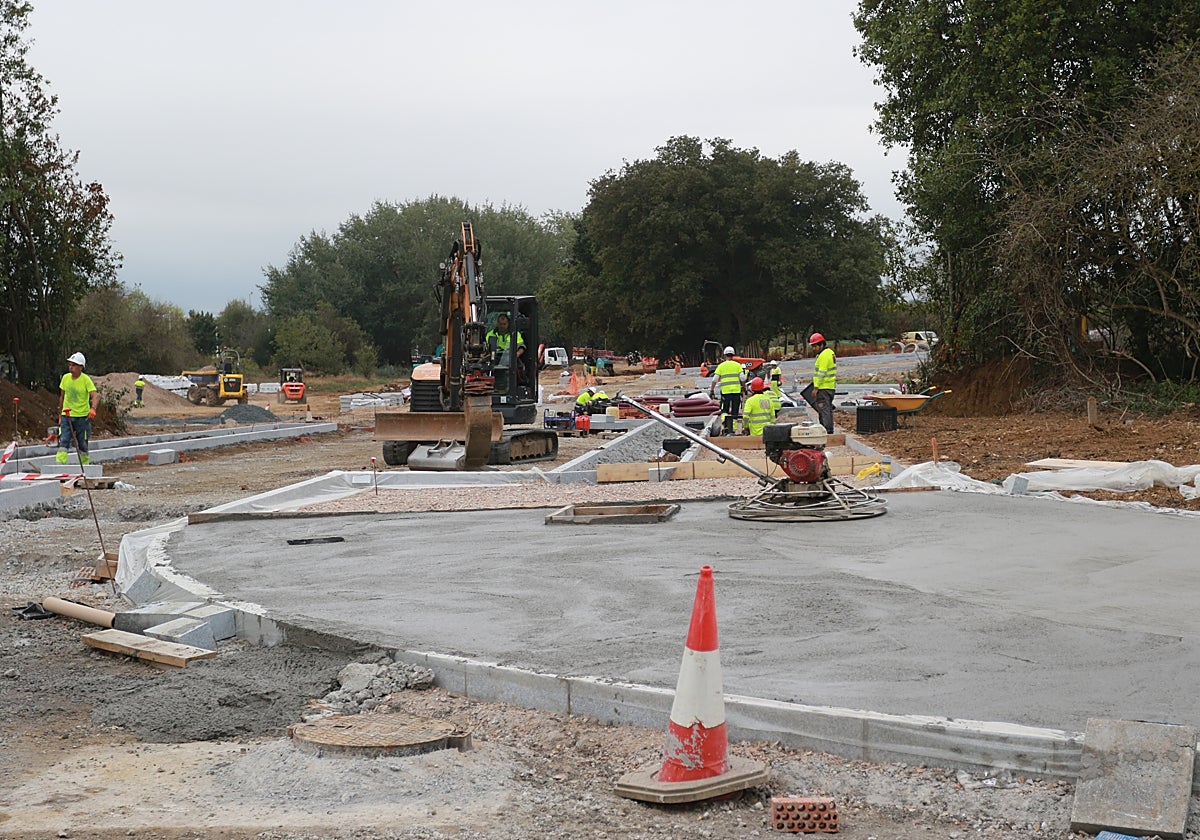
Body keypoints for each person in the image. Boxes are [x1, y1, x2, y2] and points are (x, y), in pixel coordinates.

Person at [56, 352, 99, 465]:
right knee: (64, 440)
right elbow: (62, 397)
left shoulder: (85, 380)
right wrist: (60, 414)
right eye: (70, 365)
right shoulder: (65, 378)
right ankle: (60, 466)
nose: (71, 367)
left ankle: (85, 466)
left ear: (81, 367)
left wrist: (93, 408)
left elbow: (94, 395)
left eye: (74, 365)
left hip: (82, 417)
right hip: (67, 416)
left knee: (82, 443)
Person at [708, 345, 745, 435]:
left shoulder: (721, 366)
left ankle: (725, 426)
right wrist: (744, 388)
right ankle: (735, 429)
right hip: (736, 392)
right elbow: (742, 378)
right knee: (735, 410)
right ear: (733, 355)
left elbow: (714, 379)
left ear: (724, 355)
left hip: (725, 392)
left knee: (724, 409)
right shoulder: (737, 365)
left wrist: (712, 390)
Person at [486, 313, 526, 384]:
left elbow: (521, 347)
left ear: (508, 324)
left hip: (509, 359)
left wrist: (516, 354)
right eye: (500, 324)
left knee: (519, 367)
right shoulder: (490, 335)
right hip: (493, 359)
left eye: (504, 324)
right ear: (497, 323)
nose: (502, 326)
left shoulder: (514, 334)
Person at [809, 332, 837, 433]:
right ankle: (827, 430)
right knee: (827, 409)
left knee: (824, 410)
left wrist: (816, 387)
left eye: (815, 346)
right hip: (829, 386)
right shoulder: (829, 353)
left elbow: (822, 372)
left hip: (823, 387)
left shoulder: (824, 355)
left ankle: (827, 431)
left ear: (821, 344)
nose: (814, 348)